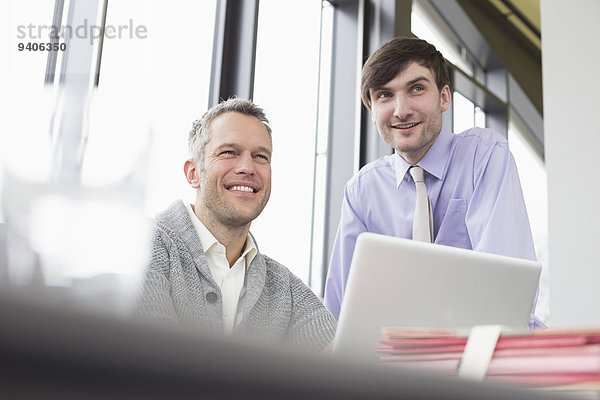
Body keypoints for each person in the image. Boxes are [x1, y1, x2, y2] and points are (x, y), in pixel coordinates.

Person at [324, 36, 544, 328]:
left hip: (489, 346)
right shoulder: (362, 192)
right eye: (384, 95)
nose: (401, 110)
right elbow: (338, 315)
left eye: (416, 89)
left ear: (444, 98)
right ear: (371, 110)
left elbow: (506, 294)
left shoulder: (484, 156)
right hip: (398, 362)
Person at [136, 97, 336, 351]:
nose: (247, 167)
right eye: (229, 152)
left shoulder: (284, 287)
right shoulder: (142, 244)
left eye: (260, 156)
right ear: (193, 173)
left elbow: (344, 361)